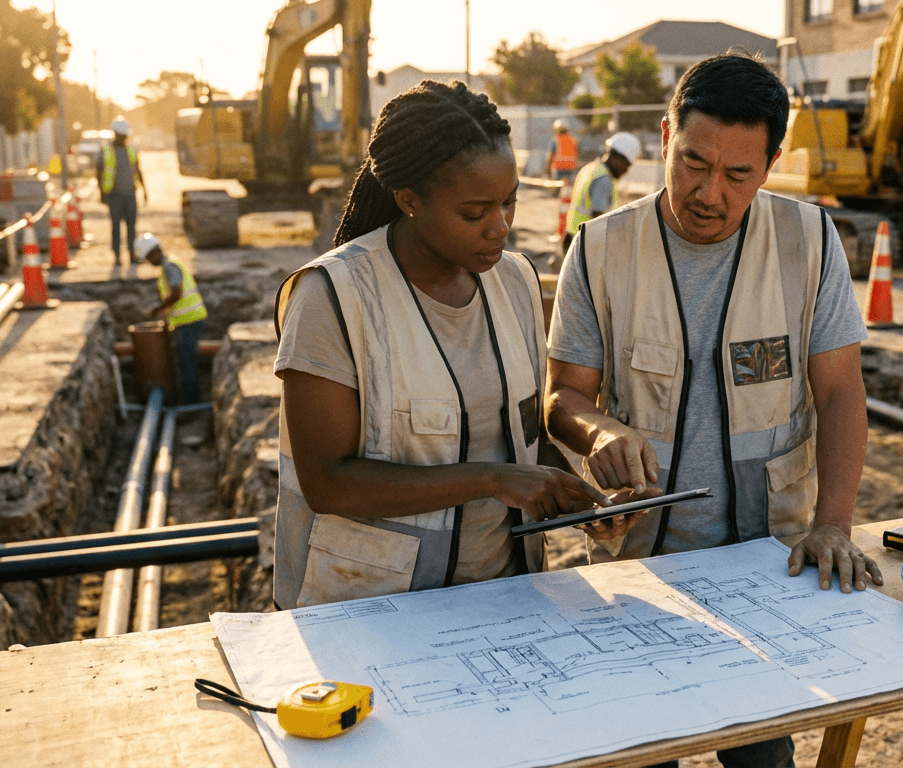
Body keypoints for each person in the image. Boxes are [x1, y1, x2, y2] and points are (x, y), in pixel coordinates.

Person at [544, 54, 882, 768]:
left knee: (762, 751)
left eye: (737, 175)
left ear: (772, 165)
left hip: (765, 562)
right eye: (693, 163)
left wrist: (833, 523)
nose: (708, 193)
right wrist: (598, 431)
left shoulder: (809, 242)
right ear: (665, 135)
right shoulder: (600, 250)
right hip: (638, 568)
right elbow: (562, 398)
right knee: (640, 749)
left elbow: (841, 390)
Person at [271, 80, 643, 611]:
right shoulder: (333, 297)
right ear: (409, 201)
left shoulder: (515, 281)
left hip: (502, 596)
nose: (501, 228)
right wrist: (491, 480)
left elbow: (521, 437)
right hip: (368, 608)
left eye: (509, 203)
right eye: (475, 213)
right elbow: (328, 483)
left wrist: (579, 501)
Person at [135, 233, 207, 405]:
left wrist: (158, 308)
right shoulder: (169, 266)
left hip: (190, 321)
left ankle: (191, 406)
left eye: (148, 258)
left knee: (187, 364)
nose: (149, 262)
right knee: (185, 362)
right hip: (187, 321)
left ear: (154, 253)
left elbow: (176, 293)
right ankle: (189, 403)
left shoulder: (170, 267)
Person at [562, 131, 640, 253]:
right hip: (585, 245)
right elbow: (599, 220)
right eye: (627, 165)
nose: (626, 170)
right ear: (618, 158)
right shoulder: (603, 180)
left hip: (572, 235)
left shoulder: (590, 168)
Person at [96, 118, 146, 266]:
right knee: (116, 226)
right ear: (115, 134)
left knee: (131, 226)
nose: (124, 138)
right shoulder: (106, 151)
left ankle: (132, 253)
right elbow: (99, 172)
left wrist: (145, 189)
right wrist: (102, 194)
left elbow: (137, 169)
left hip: (130, 193)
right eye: (121, 135)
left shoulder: (130, 149)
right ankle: (117, 255)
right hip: (114, 194)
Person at [544, 119, 578, 184]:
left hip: (559, 167)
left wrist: (547, 169)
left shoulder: (555, 139)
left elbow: (550, 155)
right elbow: (577, 153)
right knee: (571, 188)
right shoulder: (573, 139)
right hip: (571, 167)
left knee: (556, 187)